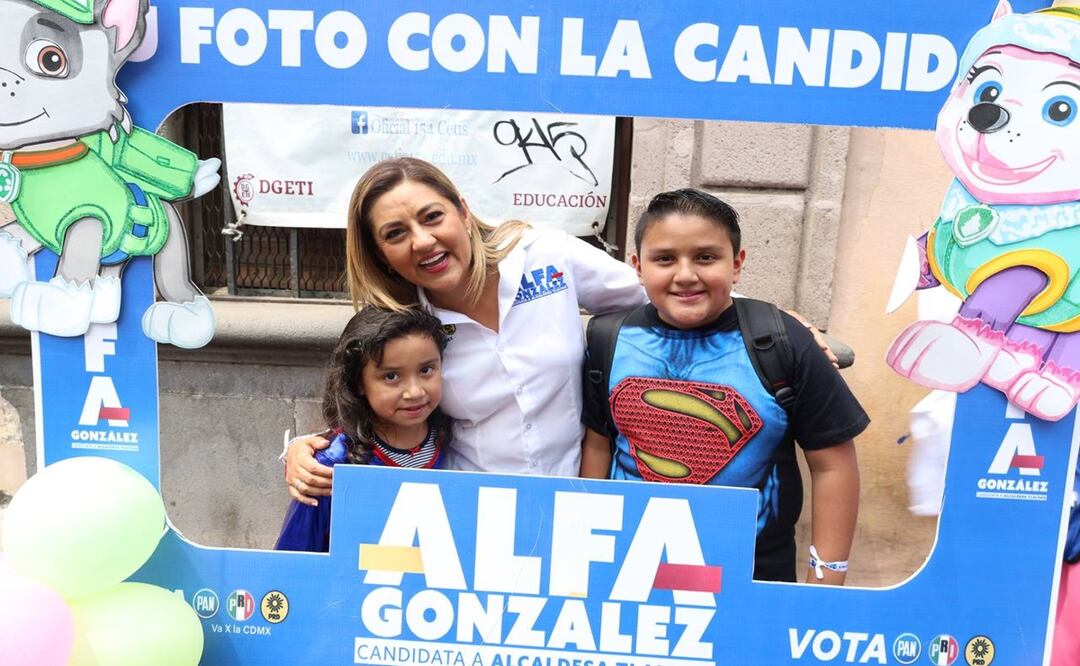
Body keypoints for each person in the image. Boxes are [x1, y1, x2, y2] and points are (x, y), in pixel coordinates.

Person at [283, 157, 648, 506]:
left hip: (576, 501)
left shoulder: (546, 257)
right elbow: (367, 406)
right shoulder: (404, 326)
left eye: (432, 217)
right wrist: (305, 449)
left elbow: (655, 299)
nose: (422, 241)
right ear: (381, 255)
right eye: (395, 233)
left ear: (463, 211)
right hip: (469, 513)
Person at [579, 189, 867, 584]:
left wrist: (826, 583)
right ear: (638, 267)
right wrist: (584, 558)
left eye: (705, 257)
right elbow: (598, 445)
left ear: (736, 264)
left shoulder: (783, 342)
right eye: (665, 259)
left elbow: (833, 464)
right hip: (629, 573)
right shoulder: (607, 339)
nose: (685, 275)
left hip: (752, 576)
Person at [276, 306, 450, 552]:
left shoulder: (456, 441)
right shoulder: (329, 468)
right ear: (358, 382)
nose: (415, 392)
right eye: (391, 376)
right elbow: (293, 560)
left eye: (426, 370)